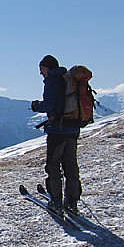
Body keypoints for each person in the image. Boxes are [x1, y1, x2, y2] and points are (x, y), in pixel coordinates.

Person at [31, 55, 82, 214]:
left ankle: (56, 201)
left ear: (48, 68)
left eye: (42, 69)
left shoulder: (52, 82)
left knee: (53, 166)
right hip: (73, 129)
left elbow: (49, 104)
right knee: (70, 165)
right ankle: (72, 201)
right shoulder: (67, 80)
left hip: (57, 131)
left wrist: (36, 106)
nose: (41, 73)